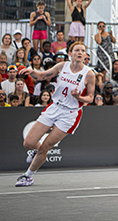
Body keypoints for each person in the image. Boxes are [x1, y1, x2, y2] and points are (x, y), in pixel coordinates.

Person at [16, 43, 95, 186]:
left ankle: (28, 176)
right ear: (70, 53)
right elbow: (42, 75)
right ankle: (36, 152)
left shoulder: (89, 74)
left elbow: (90, 98)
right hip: (54, 107)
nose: (80, 53)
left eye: (83, 51)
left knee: (45, 147)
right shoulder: (62, 66)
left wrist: (79, 98)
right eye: (77, 50)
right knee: (28, 143)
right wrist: (30, 71)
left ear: (85, 55)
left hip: (70, 114)